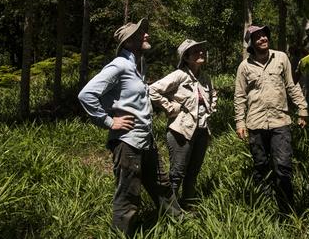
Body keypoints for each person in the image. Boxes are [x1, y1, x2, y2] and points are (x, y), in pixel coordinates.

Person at [78, 18, 182, 236]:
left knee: (161, 184)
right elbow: (87, 95)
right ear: (128, 42)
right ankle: (121, 234)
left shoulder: (138, 66)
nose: (146, 35)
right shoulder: (120, 65)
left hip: (145, 139)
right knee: (128, 194)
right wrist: (109, 121)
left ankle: (180, 222)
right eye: (140, 33)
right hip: (127, 142)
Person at [234, 25, 308, 213]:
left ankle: (287, 208)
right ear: (251, 43)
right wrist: (240, 122)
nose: (262, 39)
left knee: (283, 166)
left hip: (280, 122)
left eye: (264, 35)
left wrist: (302, 109)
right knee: (260, 166)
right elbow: (240, 96)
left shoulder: (281, 58)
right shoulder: (244, 66)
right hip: (256, 123)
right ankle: (264, 206)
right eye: (257, 37)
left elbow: (291, 85)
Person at [149, 39, 217, 208]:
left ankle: (188, 207)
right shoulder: (179, 75)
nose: (201, 53)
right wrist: (170, 107)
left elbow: (213, 96)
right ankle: (169, 211)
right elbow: (152, 90)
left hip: (201, 131)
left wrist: (211, 110)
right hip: (181, 131)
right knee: (177, 173)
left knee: (193, 172)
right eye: (195, 51)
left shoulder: (205, 78)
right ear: (185, 57)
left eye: (201, 50)